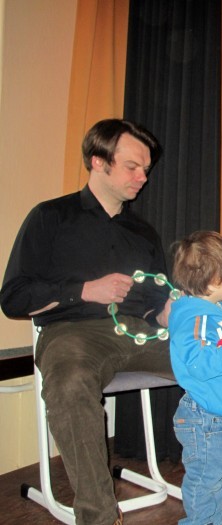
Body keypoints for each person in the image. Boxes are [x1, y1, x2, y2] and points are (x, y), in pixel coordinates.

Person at [0, 119, 172, 525]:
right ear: (98, 161)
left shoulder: (143, 231)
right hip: (73, 333)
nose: (143, 177)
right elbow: (14, 297)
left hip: (140, 334)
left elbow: (156, 302)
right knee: (70, 380)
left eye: (146, 169)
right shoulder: (50, 217)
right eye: (132, 167)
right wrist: (84, 290)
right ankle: (98, 517)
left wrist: (180, 313)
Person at [169, 230, 222, 525]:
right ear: (215, 280)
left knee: (216, 476)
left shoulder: (217, 311)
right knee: (206, 479)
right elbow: (196, 362)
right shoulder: (196, 317)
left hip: (217, 414)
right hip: (204, 416)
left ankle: (213, 519)